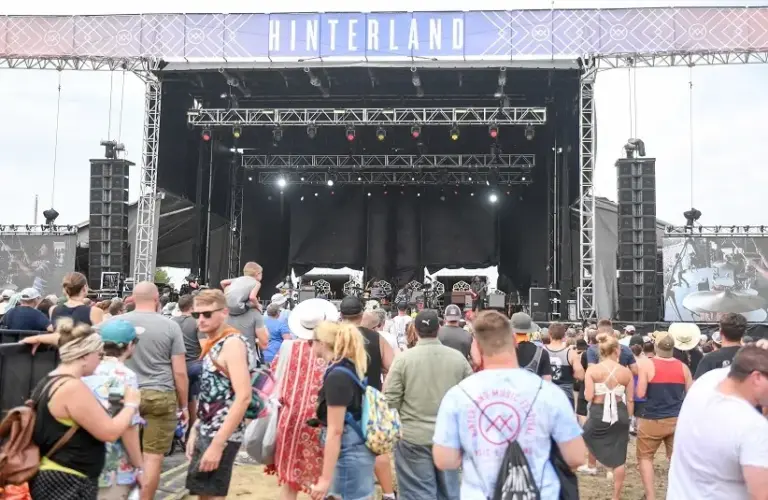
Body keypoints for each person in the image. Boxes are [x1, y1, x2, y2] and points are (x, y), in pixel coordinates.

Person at [433, 310, 586, 499]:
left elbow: (444, 459)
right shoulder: (549, 393)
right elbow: (576, 457)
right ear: (514, 340)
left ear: (478, 347)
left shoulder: (457, 396)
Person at [28, 318, 140, 500]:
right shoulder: (73, 388)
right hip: (68, 480)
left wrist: (40, 338)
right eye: (99, 355)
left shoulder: (52, 379)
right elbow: (109, 432)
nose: (100, 361)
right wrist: (130, 405)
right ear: (85, 355)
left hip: (54, 473)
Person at [112, 281, 189, 500]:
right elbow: (180, 372)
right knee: (153, 458)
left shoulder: (115, 323)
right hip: (160, 394)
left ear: (132, 299)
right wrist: (183, 405)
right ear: (157, 299)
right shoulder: (170, 325)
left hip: (123, 395)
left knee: (121, 456)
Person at [384, 309, 472, 499]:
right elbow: (471, 398)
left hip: (413, 437)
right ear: (439, 328)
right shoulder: (458, 359)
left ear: (414, 330)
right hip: (450, 438)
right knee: (450, 492)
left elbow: (390, 398)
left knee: (418, 493)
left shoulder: (403, 360)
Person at [667, 341, 768, 499]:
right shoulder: (753, 427)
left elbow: (738, 369)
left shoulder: (704, 384)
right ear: (756, 377)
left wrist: (755, 353)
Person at [185, 289, 256, 500]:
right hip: (208, 428)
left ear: (224, 312)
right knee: (203, 493)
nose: (201, 320)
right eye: (196, 315)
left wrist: (218, 443)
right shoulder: (214, 342)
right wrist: (196, 429)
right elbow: (210, 392)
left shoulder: (232, 343)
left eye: (207, 314)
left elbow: (243, 396)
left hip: (223, 433)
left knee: (213, 494)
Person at [267, 299, 336, 500]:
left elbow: (272, 380)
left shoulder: (287, 348)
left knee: (290, 480)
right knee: (323, 480)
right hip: (322, 421)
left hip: (290, 420)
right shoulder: (332, 350)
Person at [337, 296, 396, 500]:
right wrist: (383, 390)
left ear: (341, 315)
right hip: (371, 398)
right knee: (377, 446)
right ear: (361, 315)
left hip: (340, 400)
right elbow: (393, 366)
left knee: (340, 444)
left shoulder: (335, 337)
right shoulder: (376, 337)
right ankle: (388, 494)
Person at [310, 321, 376, 500]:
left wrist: (324, 479)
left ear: (322, 343)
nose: (311, 345)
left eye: (312, 341)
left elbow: (336, 430)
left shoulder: (337, 375)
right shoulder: (346, 368)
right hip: (354, 449)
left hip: (348, 451)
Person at [82, 319, 146, 499]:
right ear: (130, 345)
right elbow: (129, 428)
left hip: (83, 460)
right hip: (113, 466)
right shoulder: (126, 376)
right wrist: (140, 466)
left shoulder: (87, 369)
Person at [634, 333, 691, 500]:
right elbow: (691, 394)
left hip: (653, 418)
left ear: (656, 347)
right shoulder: (683, 367)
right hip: (677, 419)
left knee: (645, 457)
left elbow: (641, 392)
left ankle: (651, 497)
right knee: (676, 459)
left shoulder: (647, 365)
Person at [582, 333, 634, 500]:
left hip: (599, 411)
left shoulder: (592, 370)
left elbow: (588, 396)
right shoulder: (626, 372)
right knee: (620, 456)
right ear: (616, 351)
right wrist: (629, 418)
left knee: (586, 435)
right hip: (620, 412)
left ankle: (599, 463)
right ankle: (616, 496)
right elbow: (631, 399)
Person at [173, 294, 205, 429]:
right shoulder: (197, 322)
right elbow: (204, 346)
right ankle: (191, 432)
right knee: (192, 400)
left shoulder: (171, 321)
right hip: (193, 365)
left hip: (174, 366)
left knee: (177, 399)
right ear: (193, 307)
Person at [695, 312, 747, 379]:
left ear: (721, 332)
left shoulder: (709, 359)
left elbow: (697, 386)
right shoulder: (753, 358)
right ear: (743, 333)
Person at [544, 322, 584, 407]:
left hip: (546, 394)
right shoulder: (571, 353)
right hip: (565, 396)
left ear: (549, 334)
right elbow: (580, 375)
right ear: (564, 336)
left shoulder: (541, 351)